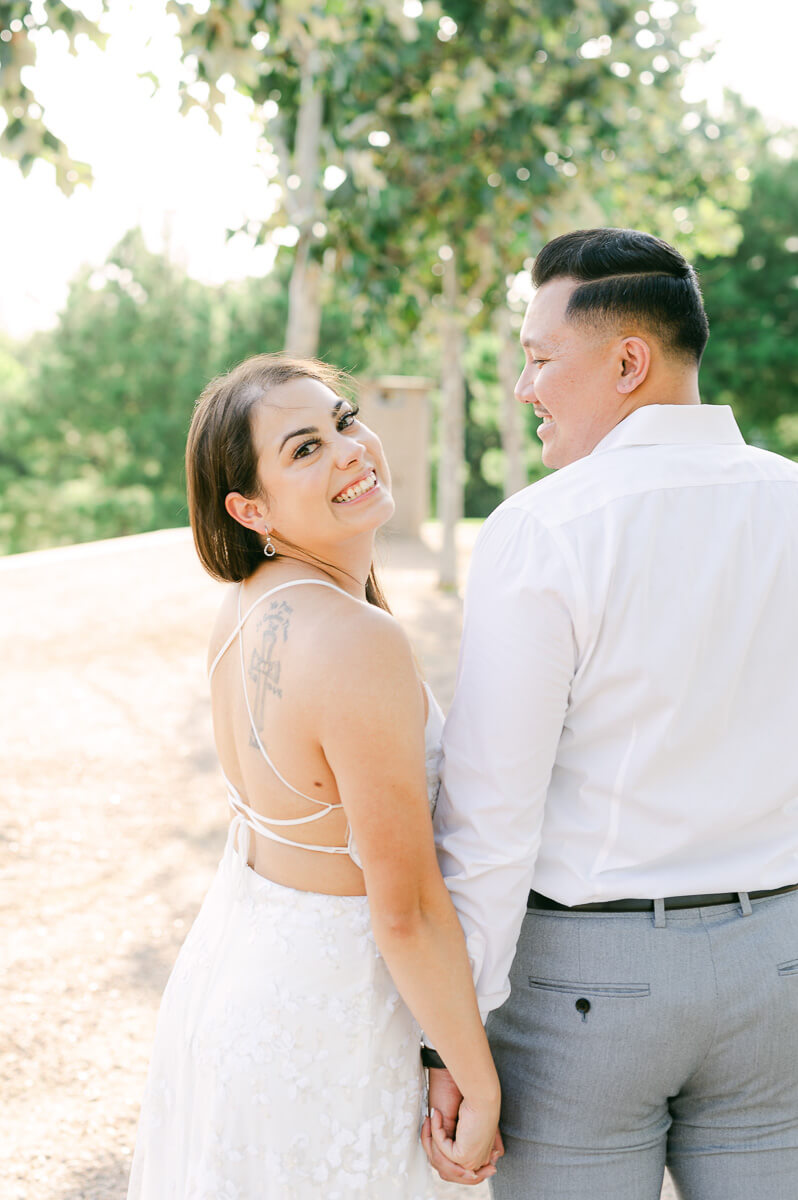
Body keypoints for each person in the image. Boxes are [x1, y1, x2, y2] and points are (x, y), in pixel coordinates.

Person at [424, 228, 798, 1199]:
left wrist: (451, 1039)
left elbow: (491, 821)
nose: (524, 387)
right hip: (780, 970)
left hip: (591, 987)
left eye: (540, 358)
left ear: (628, 360)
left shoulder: (547, 528)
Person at [126, 354, 502, 1198]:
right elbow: (402, 910)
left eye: (343, 418)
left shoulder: (243, 605)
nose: (351, 449)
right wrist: (476, 1079)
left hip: (238, 978)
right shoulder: (355, 640)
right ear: (248, 508)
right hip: (331, 1014)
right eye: (304, 448)